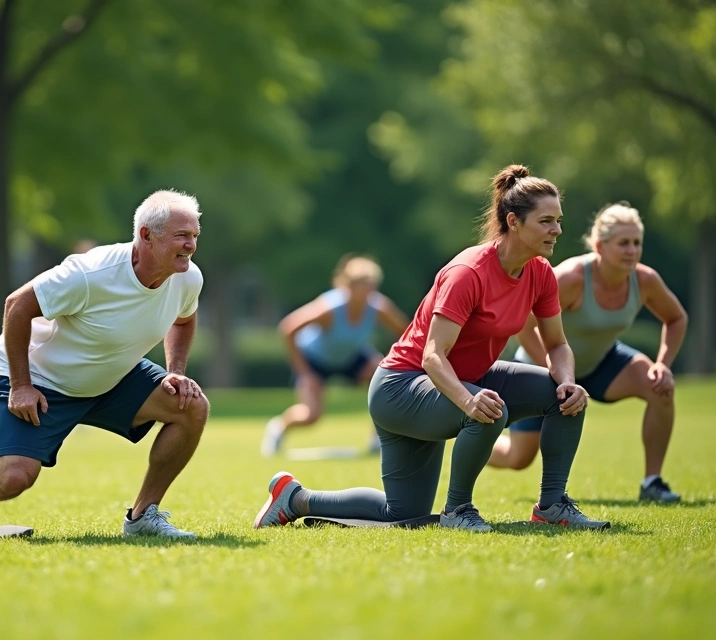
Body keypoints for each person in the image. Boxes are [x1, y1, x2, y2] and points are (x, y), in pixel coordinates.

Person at [253, 165, 609, 533]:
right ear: (514, 222)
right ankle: (458, 511)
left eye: (558, 220)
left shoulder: (540, 274)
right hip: (403, 387)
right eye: (547, 221)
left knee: (561, 397)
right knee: (488, 409)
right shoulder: (468, 272)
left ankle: (293, 498)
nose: (558, 231)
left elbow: (557, 344)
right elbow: (432, 356)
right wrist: (468, 401)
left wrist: (567, 380)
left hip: (461, 380)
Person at [0, 190, 210, 538]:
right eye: (181, 236)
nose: (191, 245)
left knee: (191, 407)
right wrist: (21, 385)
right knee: (12, 479)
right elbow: (17, 307)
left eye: (194, 235)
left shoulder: (187, 277)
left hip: (111, 377)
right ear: (147, 235)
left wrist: (175, 370)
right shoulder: (91, 273)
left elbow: (183, 318)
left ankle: (143, 517)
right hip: (40, 378)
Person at [488, 203, 688, 503]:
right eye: (623, 243)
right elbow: (523, 326)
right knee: (519, 458)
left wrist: (663, 364)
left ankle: (652, 482)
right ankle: (464, 441)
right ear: (599, 246)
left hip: (601, 362)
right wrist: (555, 368)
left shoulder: (645, 280)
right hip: (543, 366)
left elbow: (676, 318)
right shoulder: (571, 278)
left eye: (636, 243)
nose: (632, 250)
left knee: (659, 388)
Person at [261, 254, 408, 457]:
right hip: (314, 359)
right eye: (363, 285)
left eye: (372, 285)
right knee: (310, 416)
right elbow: (288, 329)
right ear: (349, 285)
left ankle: (378, 439)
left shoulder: (378, 307)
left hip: (351, 356)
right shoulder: (328, 309)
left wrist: (397, 364)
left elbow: (406, 333)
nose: (369, 291)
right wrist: (304, 373)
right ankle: (278, 428)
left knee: (383, 379)